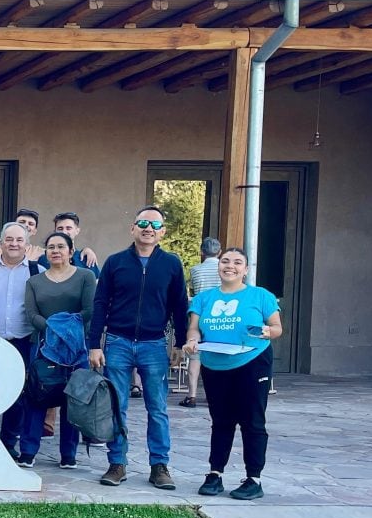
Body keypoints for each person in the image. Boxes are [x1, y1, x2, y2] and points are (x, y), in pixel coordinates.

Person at [89, 205, 190, 490]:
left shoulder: (171, 264)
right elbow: (100, 303)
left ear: (163, 232)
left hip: (153, 344)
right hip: (118, 342)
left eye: (155, 225)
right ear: (132, 228)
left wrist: (180, 343)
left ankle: (159, 466)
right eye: (143, 223)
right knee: (116, 407)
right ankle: (117, 463)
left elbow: (179, 306)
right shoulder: (115, 262)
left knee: (157, 407)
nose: (148, 228)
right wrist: (94, 344)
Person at [184, 247, 283, 500]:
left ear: (246, 269)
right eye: (225, 261)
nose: (230, 266)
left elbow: (276, 328)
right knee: (221, 421)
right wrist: (192, 342)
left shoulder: (261, 296)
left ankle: (253, 479)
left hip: (252, 362)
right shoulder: (203, 299)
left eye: (238, 262)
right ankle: (215, 473)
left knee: (252, 421)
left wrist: (267, 332)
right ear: (218, 265)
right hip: (215, 365)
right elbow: (194, 330)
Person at [21, 232, 97, 468]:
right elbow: (31, 314)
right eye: (51, 246)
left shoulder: (85, 276)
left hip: (75, 349)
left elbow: (89, 310)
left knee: (72, 400)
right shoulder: (34, 281)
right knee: (36, 397)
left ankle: (68, 455)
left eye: (61, 246)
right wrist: (53, 328)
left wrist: (63, 328)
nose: (55, 250)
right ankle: (28, 452)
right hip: (44, 347)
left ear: (71, 251)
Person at [0, 221, 38, 455]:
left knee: (17, 397)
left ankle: (7, 444)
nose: (14, 244)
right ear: (1, 243)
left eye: (19, 240)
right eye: (9, 239)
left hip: (22, 342)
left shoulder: (36, 273)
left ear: (27, 245)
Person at [182, 237, 223, 407]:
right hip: (220, 314)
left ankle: (191, 395)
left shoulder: (195, 270)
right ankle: (214, 394)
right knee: (217, 356)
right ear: (220, 252)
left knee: (195, 355)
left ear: (201, 252)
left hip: (199, 313)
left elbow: (194, 291)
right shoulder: (224, 268)